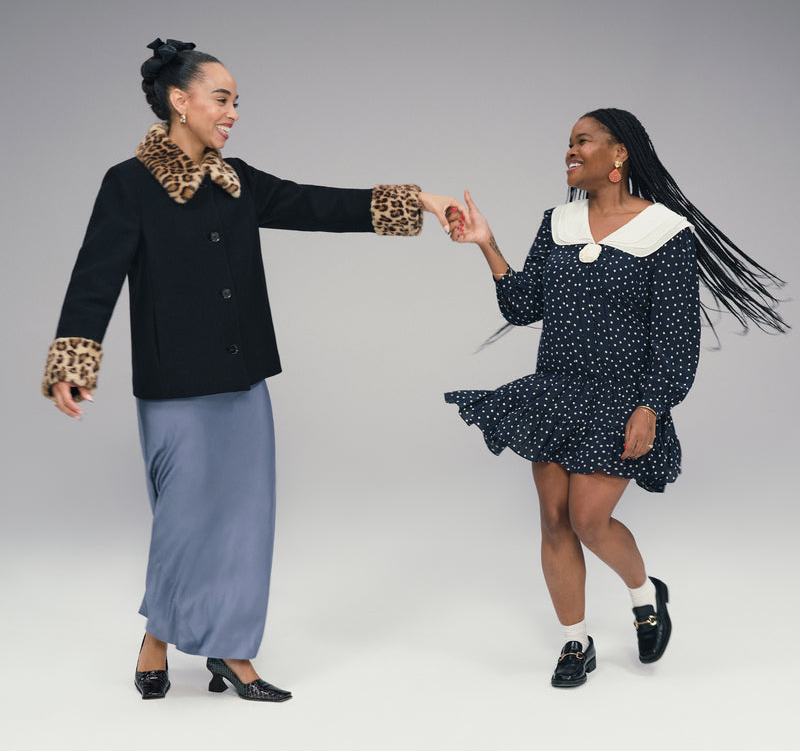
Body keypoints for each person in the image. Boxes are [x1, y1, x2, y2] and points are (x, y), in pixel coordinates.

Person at [42, 38, 463, 702]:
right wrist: (74, 359)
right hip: (175, 382)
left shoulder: (236, 182)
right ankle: (157, 638)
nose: (233, 112)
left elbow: (319, 204)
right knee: (183, 521)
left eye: (237, 101)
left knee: (245, 522)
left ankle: (233, 652)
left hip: (243, 381)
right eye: (222, 98)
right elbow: (96, 276)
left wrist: (425, 200)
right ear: (180, 101)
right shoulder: (128, 184)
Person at [444, 108, 786, 687]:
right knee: (554, 520)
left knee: (588, 519)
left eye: (582, 141)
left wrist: (652, 405)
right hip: (556, 392)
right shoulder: (558, 222)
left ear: (618, 153)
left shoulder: (665, 232)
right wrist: (486, 243)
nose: (570, 151)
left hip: (621, 398)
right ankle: (575, 643)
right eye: (568, 143)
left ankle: (646, 595)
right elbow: (523, 306)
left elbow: (676, 334)